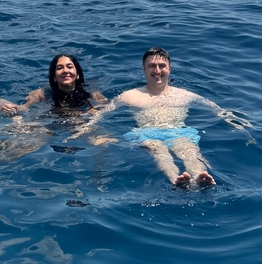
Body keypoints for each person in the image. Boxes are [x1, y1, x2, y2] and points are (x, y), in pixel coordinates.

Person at [84, 47, 249, 187]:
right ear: (144, 69)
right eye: (151, 66)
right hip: (148, 133)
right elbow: (104, 112)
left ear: (169, 68)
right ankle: (176, 180)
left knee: (190, 151)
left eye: (162, 66)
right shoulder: (130, 96)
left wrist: (236, 122)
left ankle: (199, 178)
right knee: (160, 152)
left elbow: (216, 108)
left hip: (178, 132)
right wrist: (85, 127)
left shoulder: (185, 96)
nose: (157, 71)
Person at [22, 54, 108, 113]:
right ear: (54, 77)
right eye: (59, 68)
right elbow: (23, 109)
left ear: (78, 74)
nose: (65, 71)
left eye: (70, 67)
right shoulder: (41, 94)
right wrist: (12, 109)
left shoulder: (92, 93)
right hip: (50, 123)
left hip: (81, 123)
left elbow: (106, 108)